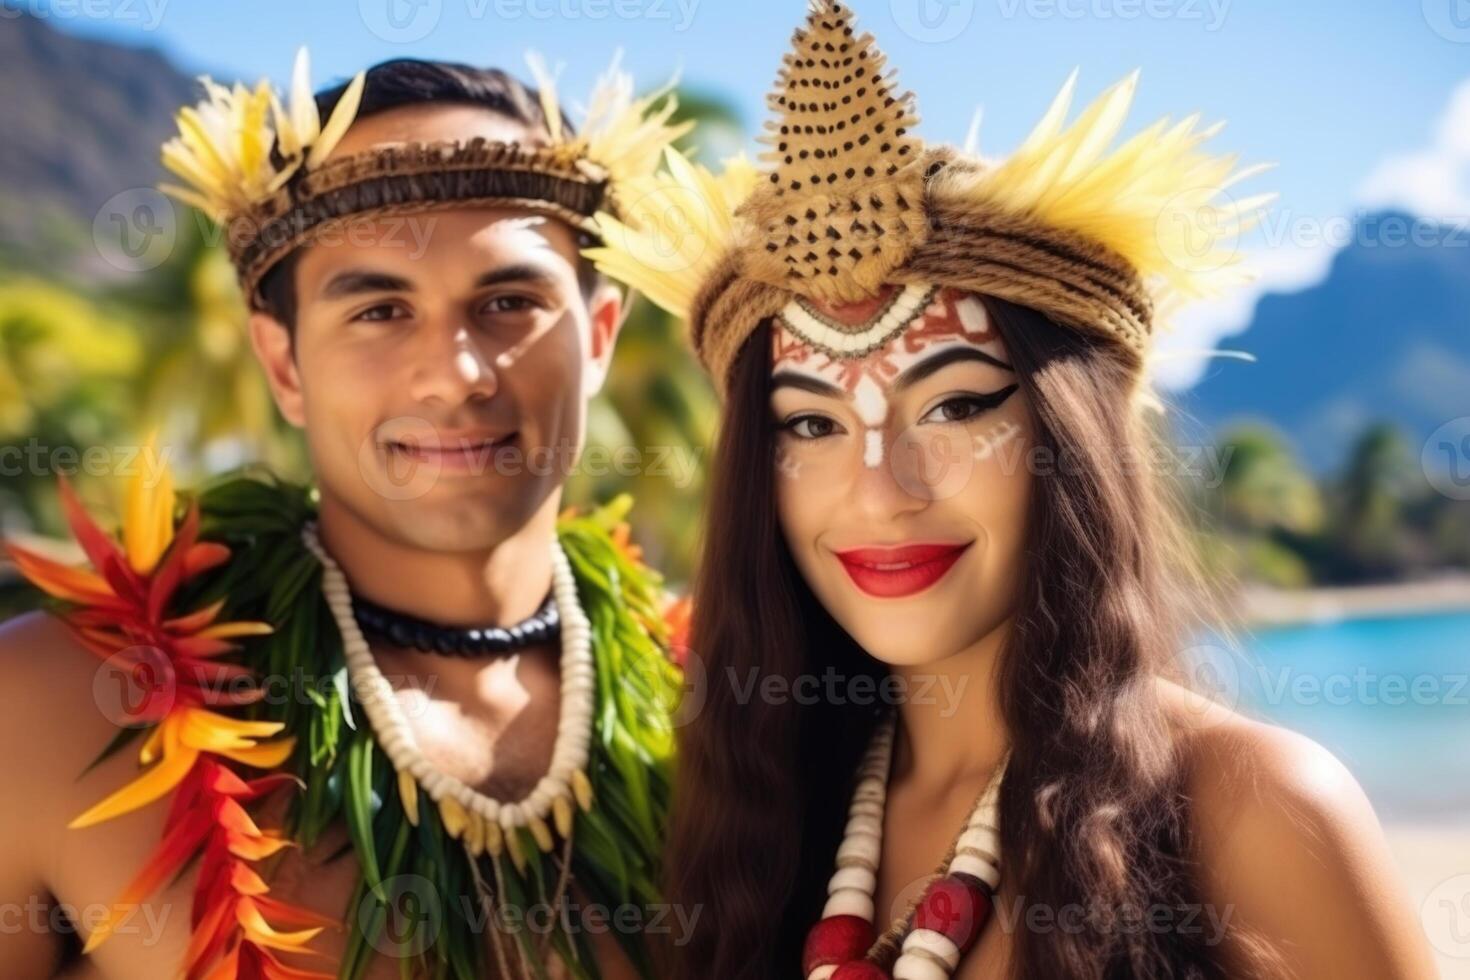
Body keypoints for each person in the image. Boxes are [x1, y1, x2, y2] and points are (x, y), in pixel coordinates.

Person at [584, 2, 1441, 977]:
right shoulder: (757, 815)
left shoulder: (1254, 808)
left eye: (952, 407)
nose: (880, 490)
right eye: (813, 424)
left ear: (1071, 437)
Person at [0, 51, 684, 979]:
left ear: (598, 338)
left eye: (510, 302)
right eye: (380, 310)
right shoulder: (52, 709)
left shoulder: (723, 712)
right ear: (282, 364)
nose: (455, 373)